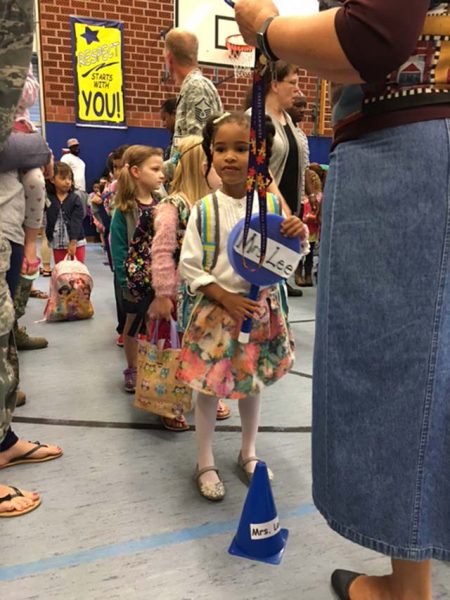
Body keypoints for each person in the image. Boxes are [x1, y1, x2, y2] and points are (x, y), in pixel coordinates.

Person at [236, 1, 450, 599]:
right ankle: (409, 577)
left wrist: (269, 29)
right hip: (425, 144)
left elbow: (375, 34)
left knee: (406, 373)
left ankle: (409, 593)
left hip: (410, 145)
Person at [177, 112, 305, 501]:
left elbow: (288, 258)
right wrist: (223, 296)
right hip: (217, 314)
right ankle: (204, 460)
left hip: (258, 312)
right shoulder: (203, 209)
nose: (230, 157)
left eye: (241, 148)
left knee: (251, 384)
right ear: (209, 156)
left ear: (258, 155)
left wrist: (296, 232)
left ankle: (248, 451)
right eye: (221, 148)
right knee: (209, 388)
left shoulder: (268, 205)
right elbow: (189, 265)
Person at [0, 0, 62, 518]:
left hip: (9, 226)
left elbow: (34, 157)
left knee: (2, 331)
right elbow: (32, 154)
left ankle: (3, 441)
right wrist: (29, 149)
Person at [149, 135, 230, 431]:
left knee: (210, 345)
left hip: (209, 292)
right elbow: (161, 250)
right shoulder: (175, 204)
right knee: (178, 348)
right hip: (182, 293)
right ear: (200, 163)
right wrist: (163, 292)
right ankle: (170, 399)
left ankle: (208, 391)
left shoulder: (213, 204)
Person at [110, 145, 165, 393]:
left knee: (157, 324)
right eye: (155, 169)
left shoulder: (163, 204)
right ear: (135, 171)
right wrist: (126, 281)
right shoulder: (123, 211)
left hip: (160, 280)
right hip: (134, 282)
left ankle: (157, 366)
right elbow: (119, 249)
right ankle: (132, 368)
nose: (161, 175)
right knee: (132, 324)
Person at [164, 29, 223, 164]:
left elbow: (197, 150)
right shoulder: (192, 86)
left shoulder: (196, 88)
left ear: (169, 57)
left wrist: (159, 171)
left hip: (195, 183)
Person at [45, 162, 86, 264]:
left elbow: (77, 221)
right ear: (52, 179)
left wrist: (73, 241)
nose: (68, 182)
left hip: (76, 243)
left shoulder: (75, 198)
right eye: (63, 178)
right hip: (57, 243)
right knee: (61, 272)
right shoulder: (48, 198)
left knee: (77, 272)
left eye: (70, 179)